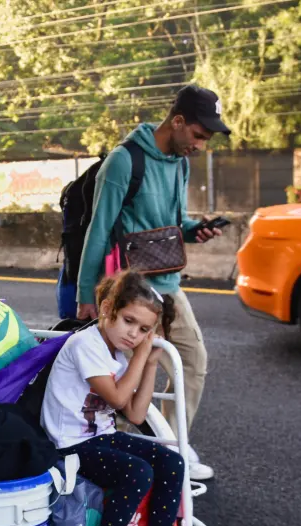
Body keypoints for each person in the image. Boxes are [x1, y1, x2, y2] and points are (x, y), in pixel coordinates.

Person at [74, 85, 230, 481]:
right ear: (177, 121)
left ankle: (174, 443)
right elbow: (98, 230)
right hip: (130, 291)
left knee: (193, 360)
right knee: (133, 375)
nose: (199, 145)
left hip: (168, 284)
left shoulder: (180, 162)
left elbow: (172, 225)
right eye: (197, 135)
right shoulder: (125, 161)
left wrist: (198, 231)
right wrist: (86, 295)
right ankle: (124, 455)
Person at [42, 270, 186, 526]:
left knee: (172, 462)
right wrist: (141, 354)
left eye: (143, 330)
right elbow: (122, 397)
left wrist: (150, 361)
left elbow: (136, 414)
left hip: (99, 436)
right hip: (68, 444)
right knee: (136, 472)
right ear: (107, 309)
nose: (133, 334)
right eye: (128, 321)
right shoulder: (86, 345)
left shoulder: (123, 350)